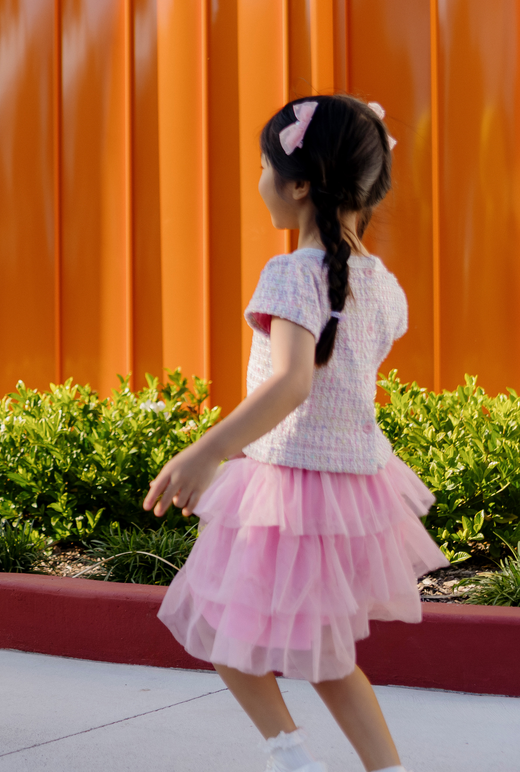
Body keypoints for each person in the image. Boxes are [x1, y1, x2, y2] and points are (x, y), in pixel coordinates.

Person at [146, 95, 445, 772]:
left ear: (300, 182)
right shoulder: (383, 285)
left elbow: (290, 385)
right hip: (352, 491)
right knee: (329, 656)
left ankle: (294, 761)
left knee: (225, 635)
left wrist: (204, 452)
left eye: (263, 166)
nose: (259, 182)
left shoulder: (290, 274)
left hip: (283, 489)